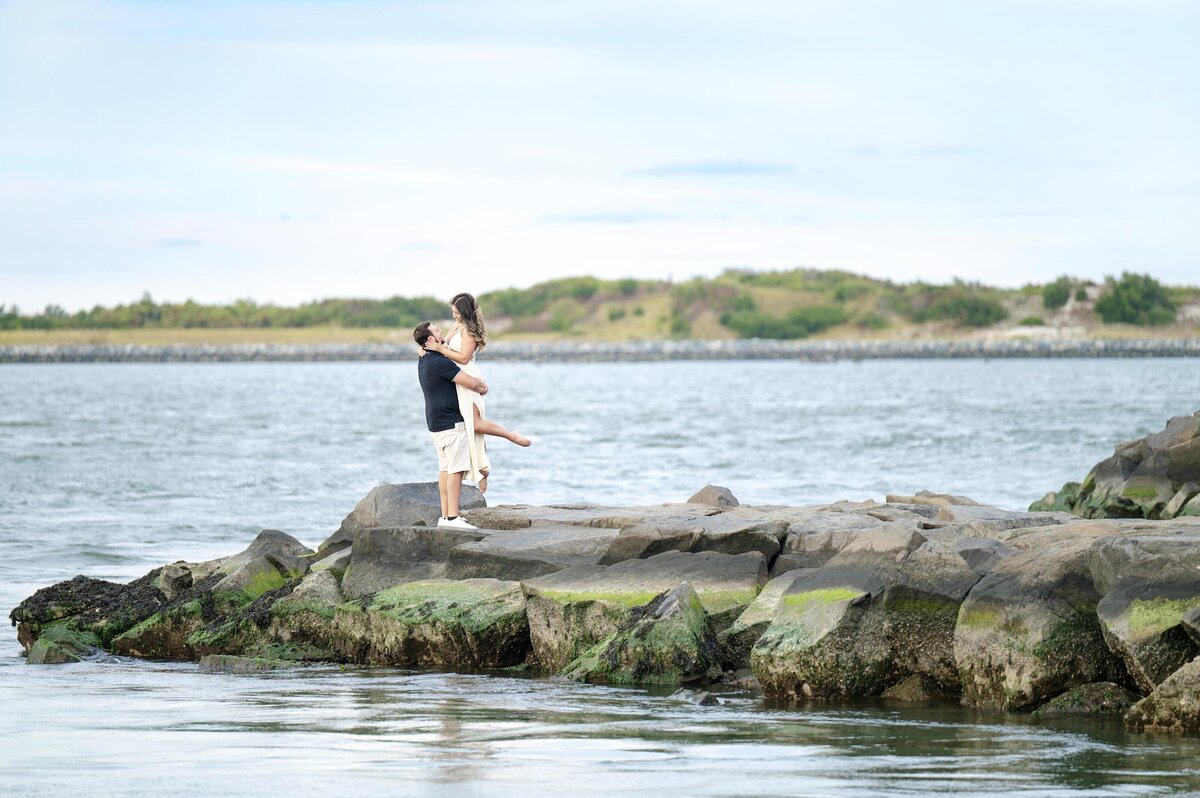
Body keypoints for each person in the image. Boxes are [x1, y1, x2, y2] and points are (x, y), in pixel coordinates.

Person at [421, 292, 530, 494]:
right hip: (455, 379)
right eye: (452, 312)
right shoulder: (455, 326)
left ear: (464, 312)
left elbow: (463, 358)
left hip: (467, 376)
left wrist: (441, 350)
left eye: (456, 312)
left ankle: (511, 436)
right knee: (469, 428)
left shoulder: (469, 331)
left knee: (476, 423)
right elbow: (441, 345)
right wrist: (426, 350)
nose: (454, 315)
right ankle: (483, 470)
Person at [413, 320, 488, 529]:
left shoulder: (425, 358)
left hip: (435, 423)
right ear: (430, 339)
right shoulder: (439, 361)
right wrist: (482, 388)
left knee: (445, 469)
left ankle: (445, 517)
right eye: (437, 330)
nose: (441, 331)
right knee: (455, 470)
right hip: (451, 423)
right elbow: (470, 382)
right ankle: (453, 518)